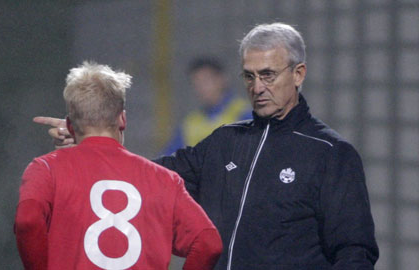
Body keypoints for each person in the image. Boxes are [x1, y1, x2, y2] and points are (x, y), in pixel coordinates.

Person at [34, 23, 379, 269]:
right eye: (249, 75)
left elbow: (355, 252)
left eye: (268, 75)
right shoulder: (225, 142)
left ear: (299, 74)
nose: (257, 87)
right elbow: (150, 176)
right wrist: (90, 139)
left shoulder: (330, 154)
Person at [15, 62, 222, 270]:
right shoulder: (165, 179)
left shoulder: (45, 169)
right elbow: (208, 242)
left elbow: (27, 221)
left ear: (70, 125)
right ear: (122, 119)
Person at [162, 57, 250, 155]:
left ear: (222, 79)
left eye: (206, 81)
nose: (202, 88)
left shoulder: (244, 114)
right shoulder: (190, 124)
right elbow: (167, 160)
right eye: (196, 84)